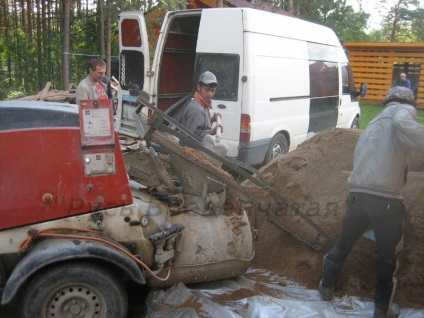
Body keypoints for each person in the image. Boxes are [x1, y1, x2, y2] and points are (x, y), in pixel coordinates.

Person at [318, 86, 424, 318]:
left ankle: (326, 288)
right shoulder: (402, 111)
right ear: (407, 103)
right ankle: (381, 309)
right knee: (387, 258)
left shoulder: (375, 121)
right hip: (385, 198)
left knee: (344, 244)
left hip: (357, 194)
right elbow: (404, 125)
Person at [180, 71, 223, 140]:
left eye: (213, 91)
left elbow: (202, 126)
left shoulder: (203, 105)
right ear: (199, 87)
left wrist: (211, 119)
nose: (210, 94)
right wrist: (212, 131)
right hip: (190, 149)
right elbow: (191, 136)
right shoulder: (196, 109)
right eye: (207, 90)